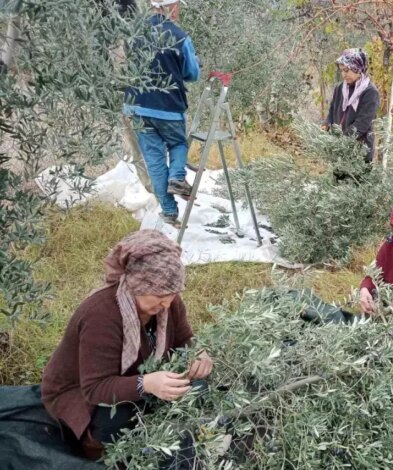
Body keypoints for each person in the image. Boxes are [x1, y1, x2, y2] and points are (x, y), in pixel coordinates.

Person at [41, 230, 213, 460]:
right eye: (159, 294)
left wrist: (199, 353)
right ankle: (98, 453)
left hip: (139, 376)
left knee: (198, 387)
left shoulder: (169, 302)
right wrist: (146, 384)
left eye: (173, 293)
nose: (167, 303)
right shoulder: (100, 315)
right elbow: (94, 389)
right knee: (118, 418)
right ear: (135, 285)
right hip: (81, 394)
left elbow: (184, 338)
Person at [123, 0, 201, 226]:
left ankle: (168, 211)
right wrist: (194, 62)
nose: (180, 9)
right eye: (178, 5)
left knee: (154, 159)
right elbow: (192, 74)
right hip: (168, 107)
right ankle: (177, 177)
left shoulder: (136, 31)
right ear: (172, 6)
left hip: (137, 105)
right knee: (178, 144)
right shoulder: (180, 36)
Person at [322, 48, 380, 163]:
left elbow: (362, 124)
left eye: (347, 70)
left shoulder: (369, 92)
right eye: (342, 70)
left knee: (356, 180)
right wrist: (327, 123)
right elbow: (333, 110)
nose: (343, 74)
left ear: (358, 69)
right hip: (339, 149)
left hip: (359, 151)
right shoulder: (340, 88)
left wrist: (343, 141)